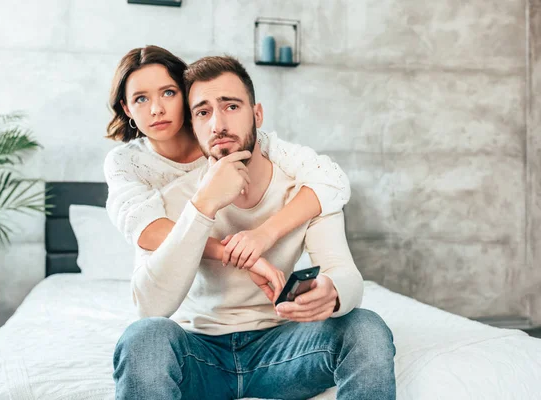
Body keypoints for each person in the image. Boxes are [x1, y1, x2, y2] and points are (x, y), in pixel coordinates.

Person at [112, 56, 396, 400]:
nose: (218, 123)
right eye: (202, 112)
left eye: (231, 106)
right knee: (143, 337)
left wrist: (332, 292)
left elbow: (345, 274)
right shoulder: (170, 203)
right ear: (193, 124)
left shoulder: (302, 191)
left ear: (257, 115)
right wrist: (203, 208)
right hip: (198, 354)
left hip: (283, 349)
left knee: (365, 327)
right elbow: (150, 307)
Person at [104, 45, 352, 296]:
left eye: (168, 93)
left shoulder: (225, 141)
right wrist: (234, 253)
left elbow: (330, 179)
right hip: (190, 288)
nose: (156, 109)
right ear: (127, 109)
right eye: (141, 99)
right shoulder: (125, 162)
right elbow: (147, 230)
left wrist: (265, 234)